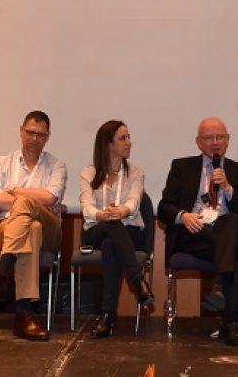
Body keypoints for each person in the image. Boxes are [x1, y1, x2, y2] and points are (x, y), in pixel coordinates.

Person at [0, 110, 67, 341]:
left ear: (48, 137)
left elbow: (50, 197)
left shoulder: (57, 166)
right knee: (32, 228)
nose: (34, 139)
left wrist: (14, 191)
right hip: (3, 228)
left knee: (27, 207)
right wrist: (34, 198)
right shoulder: (2, 163)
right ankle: (24, 314)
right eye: (30, 132)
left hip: (50, 231)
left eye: (40, 135)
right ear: (21, 131)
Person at [157, 117, 238, 347]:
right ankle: (231, 322)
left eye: (220, 137)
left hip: (224, 233)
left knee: (232, 221)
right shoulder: (182, 167)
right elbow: (163, 208)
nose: (215, 142)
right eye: (209, 138)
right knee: (232, 249)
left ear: (228, 140)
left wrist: (228, 188)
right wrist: (184, 216)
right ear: (198, 142)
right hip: (192, 233)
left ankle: (221, 293)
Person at [78, 120, 155, 338]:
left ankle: (107, 315)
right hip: (96, 230)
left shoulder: (136, 172)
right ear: (108, 144)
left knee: (111, 243)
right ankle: (137, 281)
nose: (129, 142)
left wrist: (121, 212)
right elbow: (86, 207)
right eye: (123, 138)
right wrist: (103, 215)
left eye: (128, 137)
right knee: (110, 228)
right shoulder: (88, 173)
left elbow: (134, 202)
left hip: (129, 232)